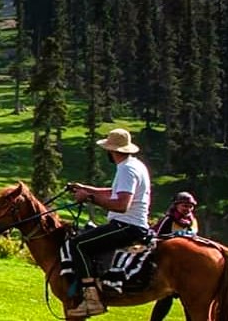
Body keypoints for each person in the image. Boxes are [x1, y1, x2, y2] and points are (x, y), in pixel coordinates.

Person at [67, 128, 151, 318]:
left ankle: (91, 299)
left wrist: (89, 198)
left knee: (77, 244)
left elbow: (122, 204)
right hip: (134, 224)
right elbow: (114, 192)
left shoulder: (126, 170)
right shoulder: (134, 165)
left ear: (112, 151)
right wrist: (85, 189)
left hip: (127, 226)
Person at [149, 192, 199, 321]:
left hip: (186, 267)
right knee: (165, 299)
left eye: (190, 206)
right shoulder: (168, 220)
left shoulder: (192, 222)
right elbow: (156, 238)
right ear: (176, 205)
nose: (187, 209)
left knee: (188, 301)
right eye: (184, 206)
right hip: (169, 268)